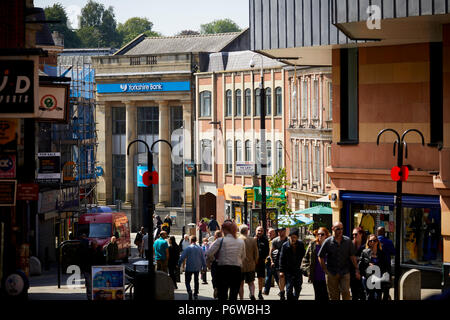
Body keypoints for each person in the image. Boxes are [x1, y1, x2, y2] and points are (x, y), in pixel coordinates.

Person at [318, 222, 360, 300]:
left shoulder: (347, 241)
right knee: (333, 296)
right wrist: (325, 269)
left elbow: (352, 256)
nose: (340, 231)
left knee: (345, 292)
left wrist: (357, 269)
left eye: (342, 229)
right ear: (333, 229)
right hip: (331, 272)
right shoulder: (328, 241)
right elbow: (320, 256)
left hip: (345, 271)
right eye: (338, 229)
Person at [207, 219, 245, 301]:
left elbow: (209, 253)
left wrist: (214, 259)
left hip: (223, 269)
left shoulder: (220, 240)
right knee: (234, 294)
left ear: (224, 230)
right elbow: (243, 256)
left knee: (223, 293)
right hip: (236, 269)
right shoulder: (240, 242)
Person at [359, 234, 391, 300]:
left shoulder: (382, 253)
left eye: (374, 241)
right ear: (368, 242)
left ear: (377, 242)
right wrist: (368, 265)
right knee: (370, 296)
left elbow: (386, 266)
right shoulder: (364, 252)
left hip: (379, 277)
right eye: (370, 241)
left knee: (377, 296)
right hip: (368, 277)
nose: (372, 242)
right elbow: (360, 266)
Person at [301, 227, 330, 301]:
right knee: (318, 296)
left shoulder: (330, 244)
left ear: (326, 235)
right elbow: (305, 258)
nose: (320, 236)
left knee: (327, 296)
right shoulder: (313, 244)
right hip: (316, 275)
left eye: (322, 234)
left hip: (328, 275)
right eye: (318, 234)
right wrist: (307, 270)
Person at [279, 227, 306, 301]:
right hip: (288, 270)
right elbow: (282, 258)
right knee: (289, 288)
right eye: (292, 237)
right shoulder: (285, 245)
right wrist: (281, 271)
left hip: (298, 269)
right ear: (289, 237)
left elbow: (304, 256)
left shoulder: (300, 244)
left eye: (295, 237)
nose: (293, 239)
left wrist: (304, 267)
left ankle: (295, 298)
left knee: (298, 287)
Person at [178, 236, 206, 300]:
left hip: (189, 266)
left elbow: (182, 257)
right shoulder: (200, 248)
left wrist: (179, 264)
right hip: (197, 266)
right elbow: (203, 258)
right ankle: (196, 293)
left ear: (190, 240)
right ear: (196, 240)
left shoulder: (188, 248)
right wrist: (204, 267)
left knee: (187, 281)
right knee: (196, 280)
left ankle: (189, 290)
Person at [238, 224, 258, 300]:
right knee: (251, 282)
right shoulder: (252, 240)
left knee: (240, 284)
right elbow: (256, 253)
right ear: (247, 231)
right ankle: (252, 294)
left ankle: (241, 298)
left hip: (240, 265)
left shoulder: (237, 240)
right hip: (250, 265)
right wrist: (255, 261)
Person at [269, 227, 288, 300]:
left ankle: (284, 290)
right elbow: (271, 252)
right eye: (278, 231)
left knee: (286, 278)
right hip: (278, 262)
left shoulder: (288, 240)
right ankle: (282, 292)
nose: (279, 232)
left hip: (287, 262)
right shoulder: (275, 241)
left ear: (284, 231)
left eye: (281, 231)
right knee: (281, 277)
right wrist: (272, 261)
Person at [377, 226, 395, 300]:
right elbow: (394, 252)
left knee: (378, 287)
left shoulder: (373, 241)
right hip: (386, 267)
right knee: (386, 287)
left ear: (377, 233)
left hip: (376, 266)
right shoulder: (389, 242)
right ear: (384, 233)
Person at [350, 227, 366, 300]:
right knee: (354, 294)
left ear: (361, 234)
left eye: (356, 234)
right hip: (352, 272)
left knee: (363, 294)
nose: (354, 236)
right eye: (353, 234)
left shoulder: (366, 245)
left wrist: (357, 258)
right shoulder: (351, 244)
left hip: (363, 273)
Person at [255, 226, 269, 300]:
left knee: (260, 278)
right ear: (255, 231)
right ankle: (252, 293)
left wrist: (263, 258)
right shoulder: (252, 239)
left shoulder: (265, 240)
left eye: (261, 231)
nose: (259, 232)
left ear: (263, 232)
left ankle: (260, 293)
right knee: (250, 279)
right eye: (258, 230)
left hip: (261, 262)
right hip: (252, 262)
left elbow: (267, 251)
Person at [207, 230, 223, 299]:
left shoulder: (214, 243)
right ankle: (220, 290)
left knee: (214, 277)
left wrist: (211, 260)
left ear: (215, 236)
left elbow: (209, 253)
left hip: (215, 262)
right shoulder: (225, 243)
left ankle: (215, 287)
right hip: (223, 263)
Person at [264, 228, 278, 295]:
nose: (269, 234)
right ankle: (266, 291)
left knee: (273, 276)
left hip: (274, 261)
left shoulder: (276, 241)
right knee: (270, 276)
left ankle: (282, 290)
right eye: (269, 233)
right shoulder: (268, 241)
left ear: (274, 233)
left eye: (271, 233)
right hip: (268, 261)